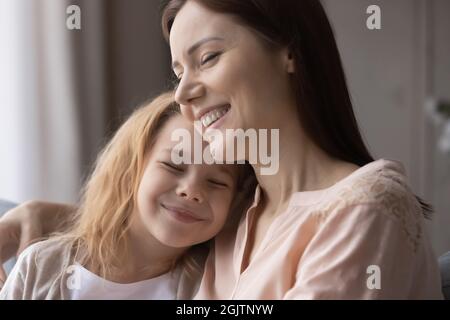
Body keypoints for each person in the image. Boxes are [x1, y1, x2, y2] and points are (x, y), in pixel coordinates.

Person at [0, 0, 444, 299]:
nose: (183, 94)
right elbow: (146, 225)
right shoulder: (235, 217)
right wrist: (46, 215)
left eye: (208, 58)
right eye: (178, 72)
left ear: (290, 51)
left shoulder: (364, 209)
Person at [0, 91, 254, 299]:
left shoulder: (214, 284)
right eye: (174, 166)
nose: (192, 191)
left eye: (216, 182)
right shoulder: (40, 266)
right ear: (130, 170)